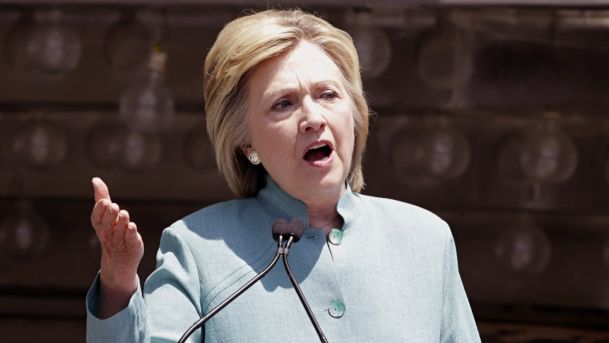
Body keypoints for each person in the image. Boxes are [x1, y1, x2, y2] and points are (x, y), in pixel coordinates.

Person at [86, 8, 480, 343]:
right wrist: (119, 284)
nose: (313, 118)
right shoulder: (197, 249)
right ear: (247, 144)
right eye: (283, 104)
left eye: (328, 95)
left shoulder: (426, 240)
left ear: (354, 115)